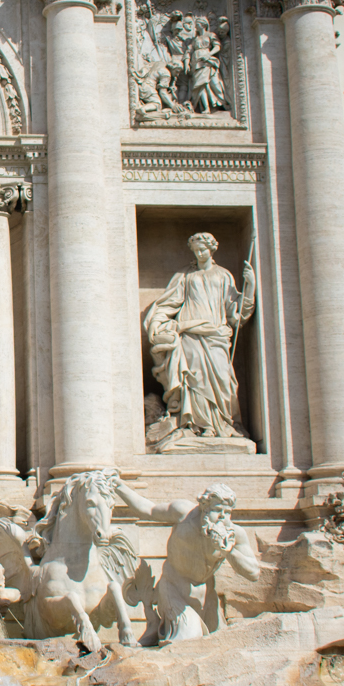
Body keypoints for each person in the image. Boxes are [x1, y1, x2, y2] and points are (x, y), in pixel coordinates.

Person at [144, 232, 255, 447]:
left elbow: (236, 312)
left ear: (212, 249)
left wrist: (249, 286)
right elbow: (170, 303)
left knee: (223, 379)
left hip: (216, 335)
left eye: (203, 249)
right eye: (196, 251)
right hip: (190, 335)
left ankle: (223, 423)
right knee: (194, 381)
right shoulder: (185, 275)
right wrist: (158, 322)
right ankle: (199, 426)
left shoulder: (224, 275)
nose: (200, 253)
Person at [114, 481, 260, 643]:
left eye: (227, 513)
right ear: (204, 507)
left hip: (206, 596)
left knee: (217, 643)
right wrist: (118, 486)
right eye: (218, 511)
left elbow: (253, 573)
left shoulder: (234, 534)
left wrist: (229, 551)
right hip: (174, 589)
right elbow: (148, 510)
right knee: (188, 641)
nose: (222, 518)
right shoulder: (183, 513)